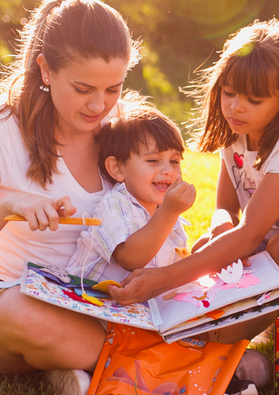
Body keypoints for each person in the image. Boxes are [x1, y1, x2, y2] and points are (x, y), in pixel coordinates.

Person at [0, 0, 137, 395]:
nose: (99, 105)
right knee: (22, 315)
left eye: (113, 89)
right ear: (46, 69)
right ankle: (162, 364)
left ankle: (70, 361)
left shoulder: (125, 126)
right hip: (7, 298)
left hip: (103, 303)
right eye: (83, 88)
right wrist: (9, 208)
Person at [108, 19, 279, 335]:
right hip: (269, 245)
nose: (236, 107)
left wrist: (164, 279)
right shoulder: (235, 137)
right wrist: (220, 226)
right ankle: (272, 318)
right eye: (229, 92)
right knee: (207, 245)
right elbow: (226, 208)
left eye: (254, 100)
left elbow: (249, 234)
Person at [66, 98, 195, 285]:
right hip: (87, 296)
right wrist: (169, 212)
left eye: (174, 161)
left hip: (138, 302)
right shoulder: (115, 204)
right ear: (118, 168)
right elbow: (130, 259)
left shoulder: (168, 214)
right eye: (153, 160)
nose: (169, 170)